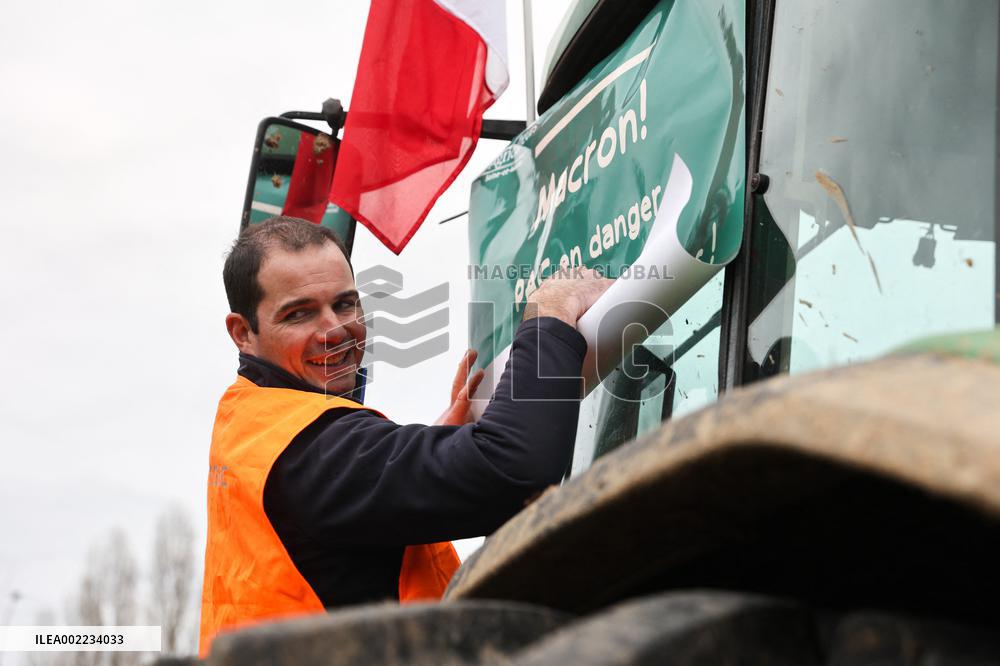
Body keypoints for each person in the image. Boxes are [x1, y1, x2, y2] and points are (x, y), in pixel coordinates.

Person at [200, 216, 611, 655]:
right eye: (299, 314)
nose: (335, 330)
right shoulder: (311, 449)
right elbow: (513, 468)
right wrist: (551, 315)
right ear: (243, 333)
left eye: (344, 304)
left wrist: (433, 454)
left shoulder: (255, 425)